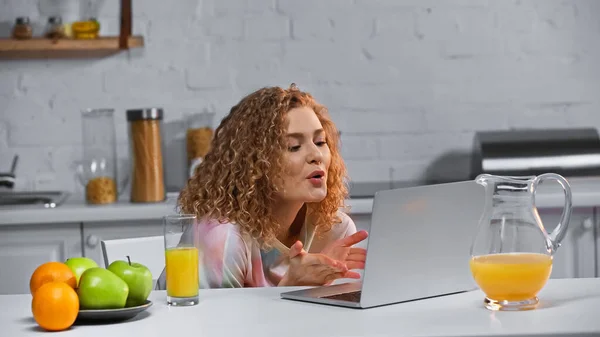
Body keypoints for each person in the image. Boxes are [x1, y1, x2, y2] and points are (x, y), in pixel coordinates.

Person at [157, 83, 368, 289]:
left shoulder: (334, 230)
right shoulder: (222, 238)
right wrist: (291, 288)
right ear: (255, 163)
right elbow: (204, 324)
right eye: (294, 147)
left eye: (320, 142)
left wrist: (329, 283)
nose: (316, 155)